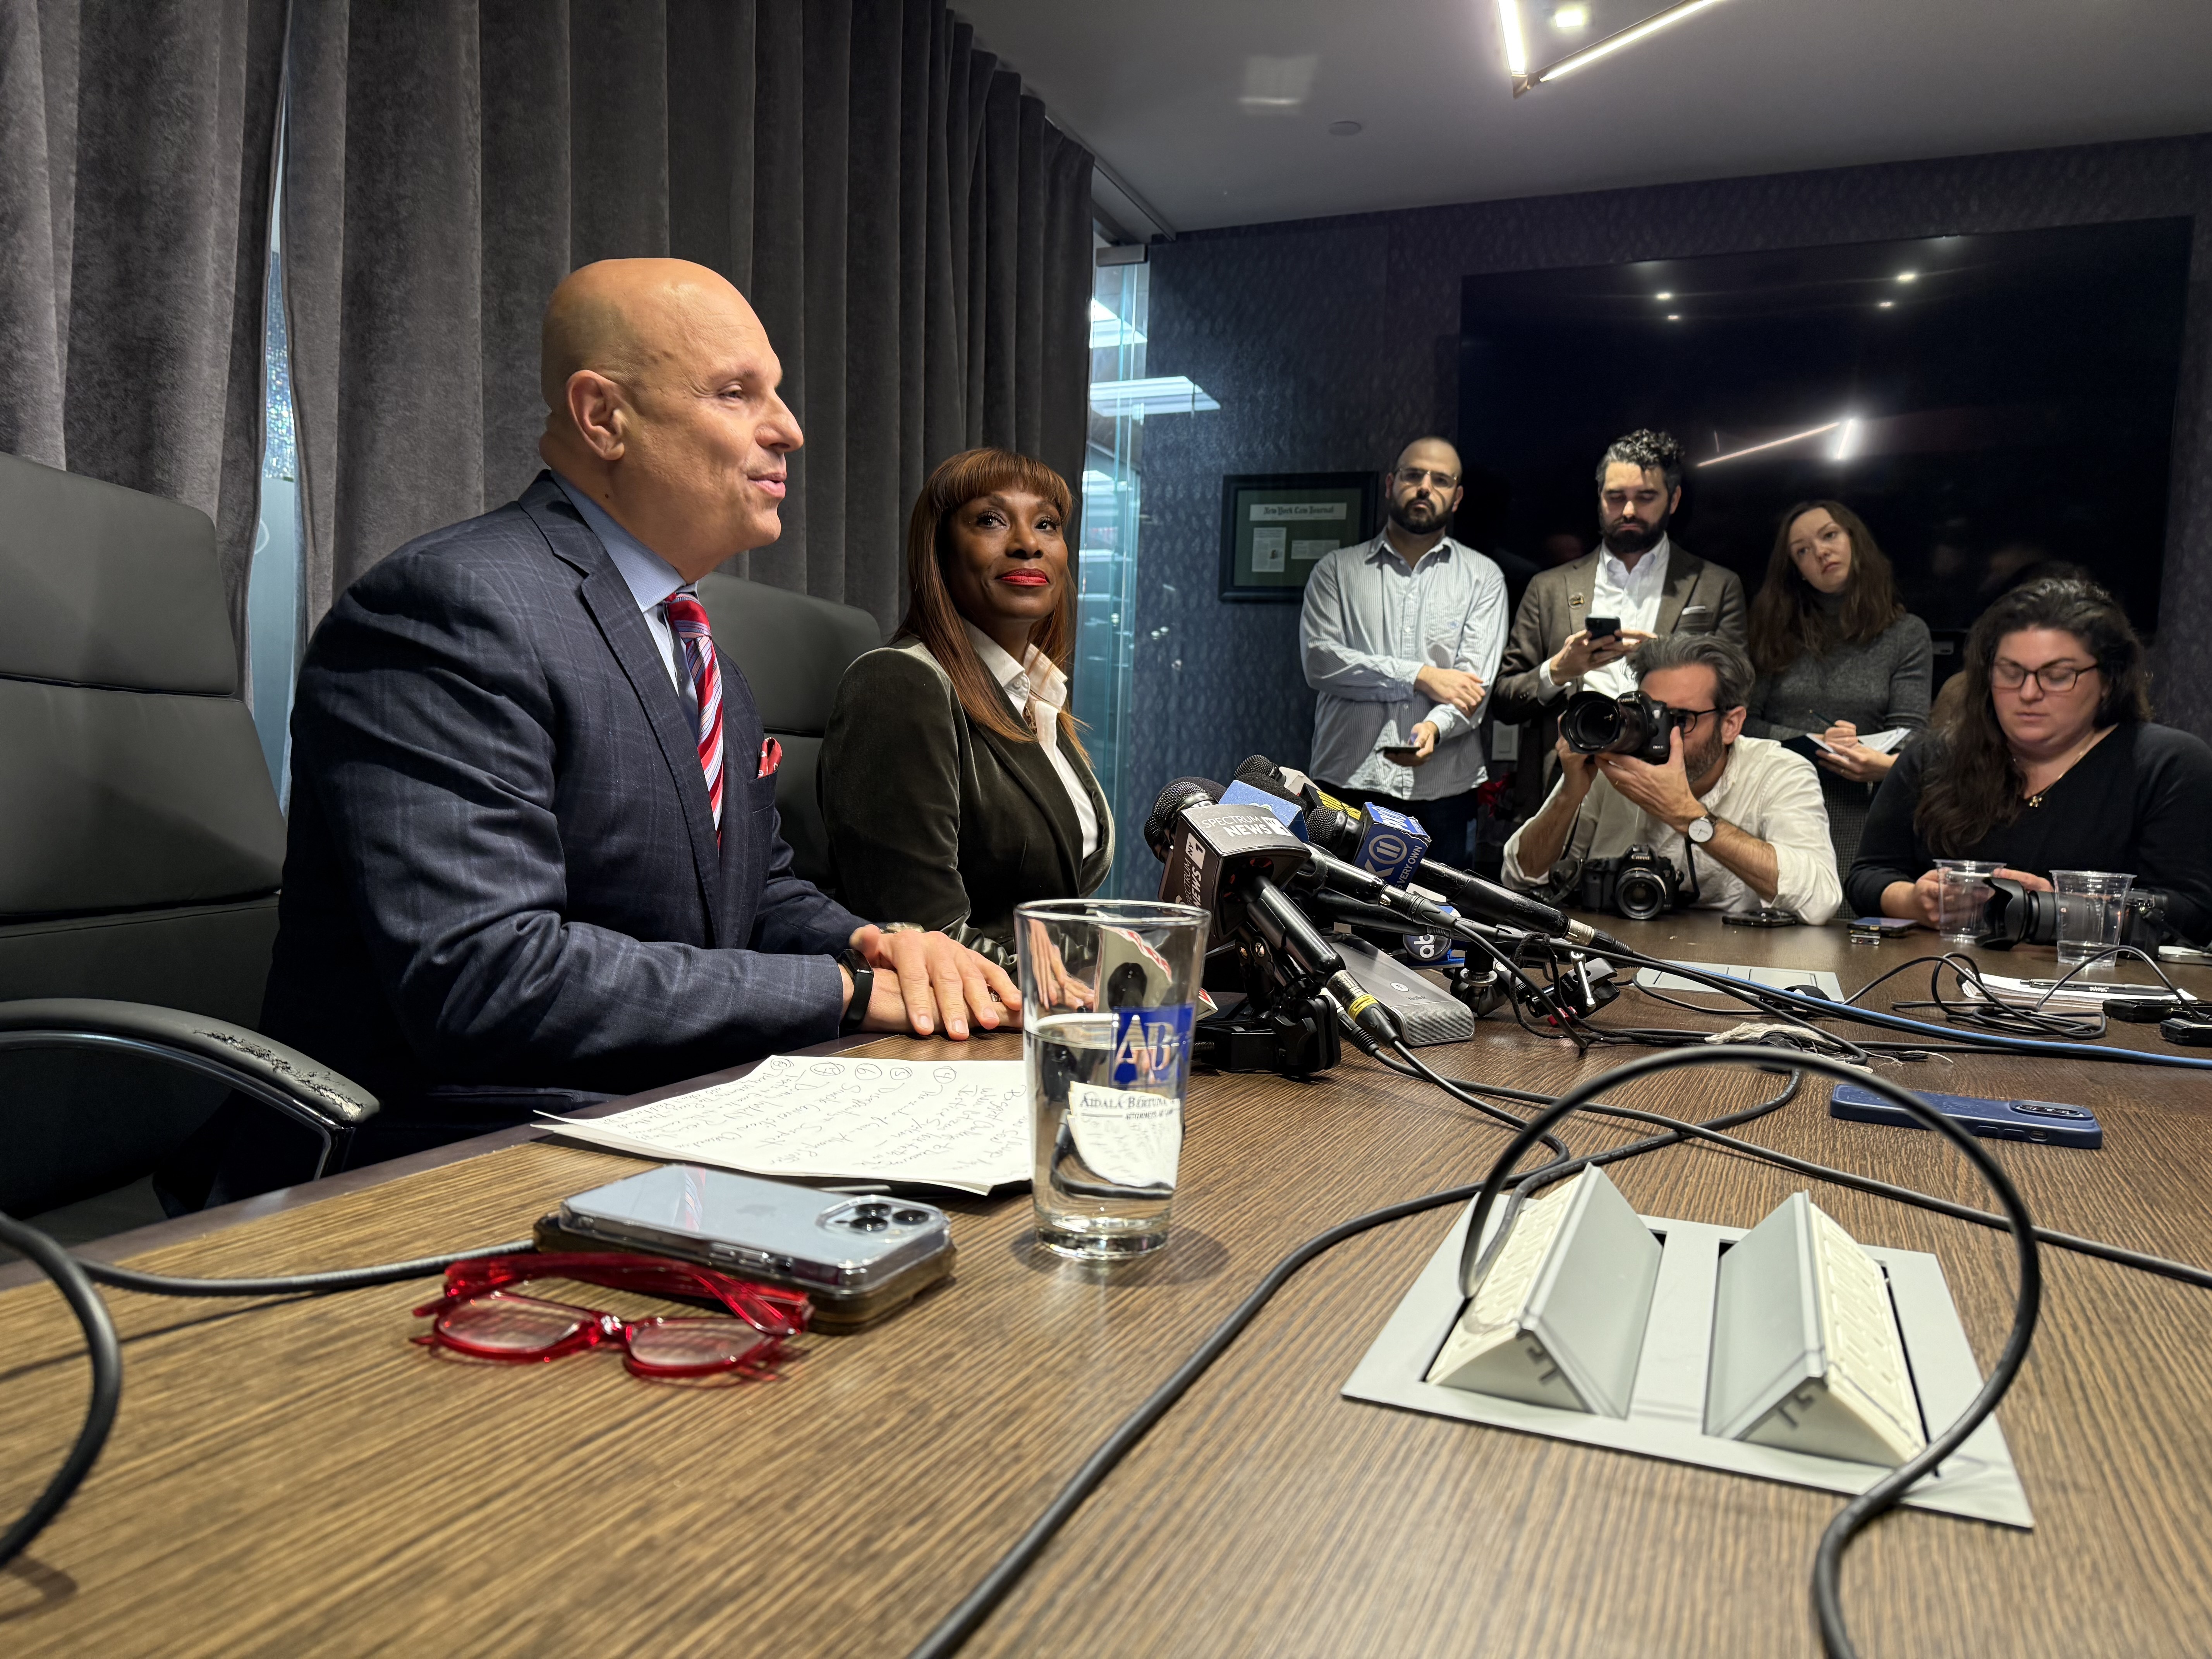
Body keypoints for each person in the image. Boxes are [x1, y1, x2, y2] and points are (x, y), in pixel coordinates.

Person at [230, 259, 1018, 1183]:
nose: (790, 430)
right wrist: (843, 992)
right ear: (604, 416)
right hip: (435, 1161)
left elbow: (753, 897)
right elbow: (491, 978)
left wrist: (873, 945)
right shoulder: (448, 608)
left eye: (778, 392)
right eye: (737, 393)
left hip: (653, 1117)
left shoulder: (696, 642)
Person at [820, 448, 1112, 970]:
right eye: (991, 521)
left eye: (1047, 524)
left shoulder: (1037, 696)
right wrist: (1086, 992)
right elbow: (925, 935)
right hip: (959, 1035)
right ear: (940, 550)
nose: (1027, 544)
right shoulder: (899, 682)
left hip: (1046, 1018)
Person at [1846, 577, 2212, 941]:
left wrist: (2057, 909)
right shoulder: (1933, 757)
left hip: (2096, 988)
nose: (2029, 693)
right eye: (2011, 673)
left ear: (2108, 681)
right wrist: (1915, 901)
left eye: (2057, 676)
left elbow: (2192, 911)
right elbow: (1868, 877)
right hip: (1936, 977)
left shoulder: (2168, 765)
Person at [1492, 429, 1748, 817]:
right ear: (1600, 500)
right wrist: (1557, 671)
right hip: (1567, 779)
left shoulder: (1716, 586)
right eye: (1616, 497)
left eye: (1646, 497)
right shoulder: (1549, 588)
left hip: (1674, 778)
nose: (1628, 511)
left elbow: (1737, 697)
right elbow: (1505, 700)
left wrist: (1667, 663)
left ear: (1674, 500)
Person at [1502, 634, 1842, 924]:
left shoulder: (1779, 771)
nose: (1658, 733)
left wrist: (1688, 815)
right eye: (1650, 715)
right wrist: (1569, 794)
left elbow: (1820, 899)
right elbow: (1519, 877)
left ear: (1731, 724)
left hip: (1732, 964)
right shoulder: (1612, 767)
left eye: (1679, 718)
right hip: (1616, 955)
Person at [1297, 436, 1507, 864]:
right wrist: (1421, 675)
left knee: (1436, 925)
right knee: (1335, 923)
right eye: (1413, 475)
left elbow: (1472, 686)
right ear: (1392, 484)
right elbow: (1321, 662)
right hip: (1346, 782)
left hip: (1444, 789)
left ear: (1458, 496)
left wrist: (1435, 727)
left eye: (1441, 479)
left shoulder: (1483, 578)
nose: (1425, 487)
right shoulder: (1335, 572)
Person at [1743, 501, 1932, 868]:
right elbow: (1744, 722)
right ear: (1796, 570)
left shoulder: (1907, 633)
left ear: (1854, 540)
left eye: (1829, 536)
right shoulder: (1773, 627)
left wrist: (1872, 758)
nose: (1821, 552)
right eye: (1803, 551)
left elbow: (1913, 734)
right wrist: (1818, 740)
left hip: (1866, 798)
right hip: (1778, 792)